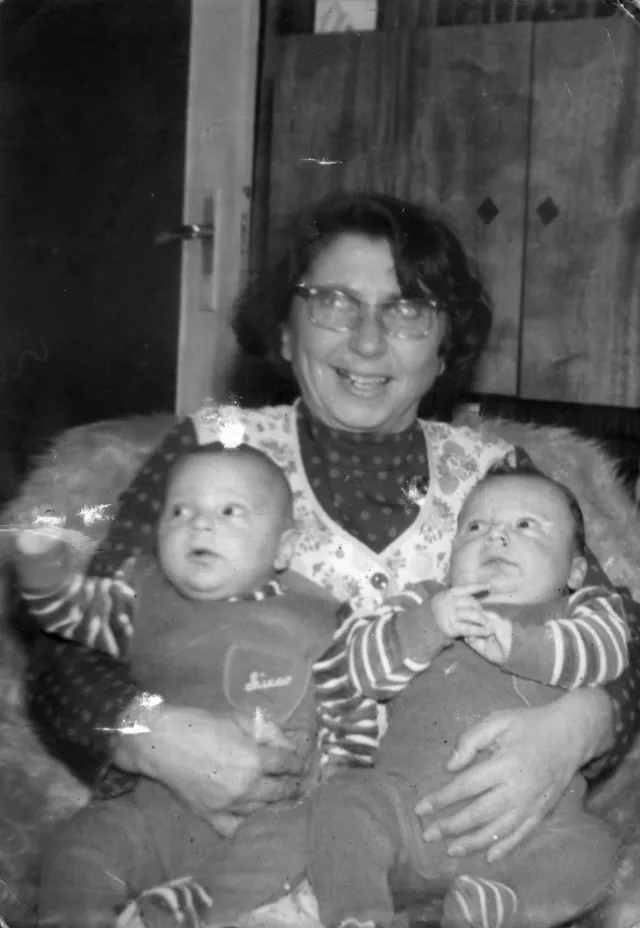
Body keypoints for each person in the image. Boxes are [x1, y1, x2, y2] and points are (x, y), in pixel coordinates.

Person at [14, 192, 640, 923]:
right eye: (334, 303)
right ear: (284, 329)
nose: (368, 341)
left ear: (444, 345)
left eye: (408, 309)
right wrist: (149, 736)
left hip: (445, 865)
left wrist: (578, 728)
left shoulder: (497, 472)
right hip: (212, 847)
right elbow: (66, 653)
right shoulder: (211, 455)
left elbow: (619, 640)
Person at [14, 444, 339, 927]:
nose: (199, 524)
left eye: (230, 511)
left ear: (284, 548)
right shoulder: (138, 600)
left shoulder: (320, 618)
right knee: (78, 851)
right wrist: (42, 564)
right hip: (146, 810)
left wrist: (332, 781)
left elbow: (350, 710)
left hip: (266, 829)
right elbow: (67, 616)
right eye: (180, 510)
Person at [309, 463, 628, 928]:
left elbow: (608, 653)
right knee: (343, 802)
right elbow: (360, 671)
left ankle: (501, 907)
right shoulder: (425, 602)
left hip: (527, 836)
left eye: (525, 526)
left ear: (576, 569)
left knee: (594, 847)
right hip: (406, 820)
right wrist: (428, 625)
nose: (496, 537)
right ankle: (359, 913)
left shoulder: (581, 610)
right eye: (476, 527)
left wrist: (524, 645)